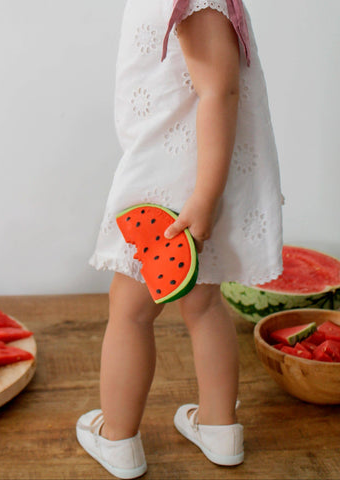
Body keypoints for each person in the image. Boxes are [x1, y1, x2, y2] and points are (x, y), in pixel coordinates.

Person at [77, 0, 283, 478]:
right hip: (189, 185)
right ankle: (218, 429)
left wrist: (204, 198)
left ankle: (118, 438)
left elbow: (220, 92)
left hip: (173, 191)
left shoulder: (196, 2)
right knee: (204, 304)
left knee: (129, 312)